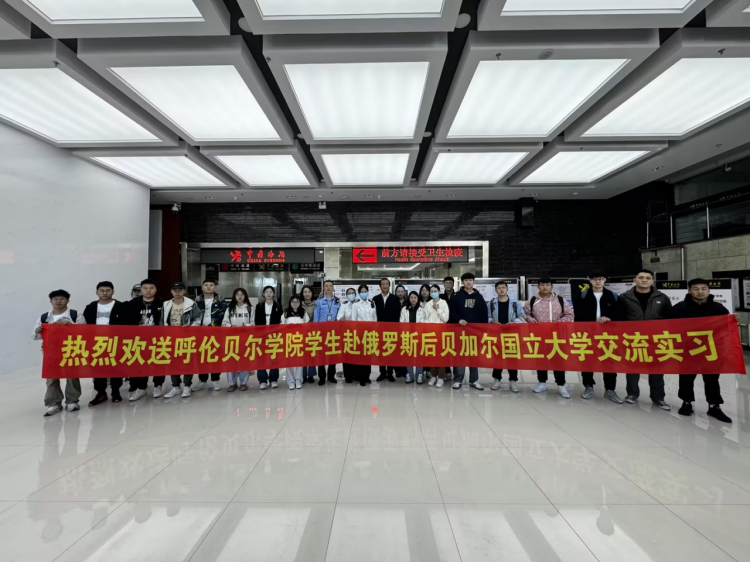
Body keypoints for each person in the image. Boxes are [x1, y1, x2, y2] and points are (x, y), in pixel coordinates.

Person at [671, 279, 734, 423]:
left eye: (703, 288)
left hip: (711, 350)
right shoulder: (679, 308)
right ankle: (686, 402)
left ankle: (714, 406)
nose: (700, 292)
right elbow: (669, 327)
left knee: (712, 379)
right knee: (686, 377)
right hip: (687, 350)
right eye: (696, 289)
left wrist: (733, 320)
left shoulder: (718, 308)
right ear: (689, 290)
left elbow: (726, 328)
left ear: (708, 290)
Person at [617, 269, 672, 410]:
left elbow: (670, 319)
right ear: (634, 280)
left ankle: (658, 397)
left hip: (656, 339)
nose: (644, 280)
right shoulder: (624, 297)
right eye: (641, 277)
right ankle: (632, 394)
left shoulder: (662, 298)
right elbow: (619, 318)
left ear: (652, 281)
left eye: (648, 278)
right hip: (633, 339)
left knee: (656, 369)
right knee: (632, 368)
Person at [33, 290, 86, 416]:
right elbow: (35, 336)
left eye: (62, 299)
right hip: (51, 352)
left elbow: (84, 332)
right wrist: (38, 331)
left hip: (70, 350)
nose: (58, 301)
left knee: (72, 376)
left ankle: (72, 401)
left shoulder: (75, 315)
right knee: (51, 378)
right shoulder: (44, 317)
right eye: (55, 299)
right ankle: (53, 403)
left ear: (67, 301)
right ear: (50, 301)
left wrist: (71, 325)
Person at [575, 272, 623, 404]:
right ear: (590, 280)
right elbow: (577, 315)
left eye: (600, 279)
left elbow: (620, 314)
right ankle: (588, 386)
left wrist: (610, 318)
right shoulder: (583, 295)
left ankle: (610, 389)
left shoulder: (613, 296)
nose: (598, 281)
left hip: (608, 335)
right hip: (588, 334)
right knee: (587, 361)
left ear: (605, 280)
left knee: (609, 360)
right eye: (595, 279)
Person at [524, 276, 574, 398]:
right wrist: (531, 320)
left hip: (557, 336)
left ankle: (561, 385)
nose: (544, 287)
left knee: (558, 360)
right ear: (538, 286)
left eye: (547, 285)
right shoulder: (531, 301)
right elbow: (525, 314)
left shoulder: (560, 300)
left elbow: (569, 315)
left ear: (552, 286)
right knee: (540, 360)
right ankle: (542, 383)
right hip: (539, 336)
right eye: (542, 285)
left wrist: (559, 322)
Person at [83, 281, 129, 406]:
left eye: (108, 290)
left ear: (113, 292)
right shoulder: (90, 307)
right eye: (102, 290)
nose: (105, 293)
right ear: (96, 292)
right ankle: (101, 393)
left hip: (115, 342)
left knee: (116, 368)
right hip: (96, 343)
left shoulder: (120, 306)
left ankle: (116, 392)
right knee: (98, 369)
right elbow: (84, 325)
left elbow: (127, 325)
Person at [125, 278, 165, 401]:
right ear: (141, 290)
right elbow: (126, 322)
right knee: (139, 362)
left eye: (151, 288)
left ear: (156, 290)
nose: (148, 291)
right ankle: (141, 388)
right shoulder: (132, 304)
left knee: (158, 362)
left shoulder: (162, 303)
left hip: (157, 339)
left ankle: (158, 386)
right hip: (138, 339)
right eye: (145, 288)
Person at [449, 272, 489, 390]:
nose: (468, 282)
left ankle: (474, 380)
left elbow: (484, 314)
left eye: (470, 280)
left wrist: (483, 330)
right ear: (462, 282)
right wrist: (458, 320)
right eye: (466, 280)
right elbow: (452, 312)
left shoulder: (479, 297)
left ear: (473, 282)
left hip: (475, 332)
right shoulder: (456, 296)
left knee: (474, 356)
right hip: (460, 331)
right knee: (460, 355)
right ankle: (458, 380)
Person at [163, 282, 202, 398]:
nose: (177, 292)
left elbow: (198, 319)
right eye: (175, 290)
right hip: (171, 338)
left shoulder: (191, 304)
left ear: (184, 291)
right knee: (173, 363)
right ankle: (175, 386)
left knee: (187, 362)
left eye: (180, 290)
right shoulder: (166, 304)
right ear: (171, 292)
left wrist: (190, 327)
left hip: (187, 338)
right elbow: (162, 321)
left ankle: (187, 386)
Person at [488, 281, 526, 393]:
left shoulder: (515, 302)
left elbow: (523, 317)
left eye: (503, 287)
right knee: (497, 357)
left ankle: (513, 381)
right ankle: (497, 380)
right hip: (497, 334)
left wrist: (514, 322)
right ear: (495, 290)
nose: (501, 289)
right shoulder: (491, 303)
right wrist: (492, 321)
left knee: (512, 358)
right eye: (499, 288)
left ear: (507, 289)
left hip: (511, 334)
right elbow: (487, 317)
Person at [195, 280, 225, 391]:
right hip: (200, 332)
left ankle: (215, 380)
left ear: (215, 287)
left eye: (211, 285)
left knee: (215, 356)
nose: (208, 287)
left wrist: (211, 325)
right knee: (201, 356)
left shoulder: (220, 299)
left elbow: (223, 313)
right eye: (206, 285)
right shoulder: (197, 299)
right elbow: (193, 314)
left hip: (215, 332)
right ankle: (202, 380)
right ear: (202, 287)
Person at [222, 288, 253, 392]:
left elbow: (253, 323)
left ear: (245, 296)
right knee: (231, 360)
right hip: (232, 339)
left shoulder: (250, 308)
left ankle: (243, 382)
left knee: (244, 360)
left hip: (245, 339)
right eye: (237, 294)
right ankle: (232, 383)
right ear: (234, 296)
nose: (240, 296)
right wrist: (231, 327)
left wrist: (246, 327)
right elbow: (224, 323)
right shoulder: (229, 308)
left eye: (242, 294)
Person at [373, 277, 402, 382]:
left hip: (392, 330)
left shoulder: (395, 299)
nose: (385, 286)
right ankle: (382, 372)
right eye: (383, 284)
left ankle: (390, 373)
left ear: (389, 286)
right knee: (381, 352)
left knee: (390, 351)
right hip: (379, 330)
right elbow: (373, 315)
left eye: (386, 284)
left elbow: (398, 315)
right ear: (380, 286)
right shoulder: (375, 299)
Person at [255, 285, 284, 389]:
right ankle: (262, 380)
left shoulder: (278, 306)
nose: (268, 294)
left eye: (270, 292)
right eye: (266, 292)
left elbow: (281, 321)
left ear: (273, 294)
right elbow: (256, 321)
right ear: (263, 294)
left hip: (274, 336)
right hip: (262, 335)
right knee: (261, 357)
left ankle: (273, 379)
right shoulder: (259, 306)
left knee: (274, 357)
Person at [313, 280, 341, 386]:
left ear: (333, 288)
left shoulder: (337, 301)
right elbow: (316, 317)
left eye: (330, 286)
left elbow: (340, 315)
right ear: (323, 288)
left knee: (332, 355)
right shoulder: (319, 302)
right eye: (326, 286)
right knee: (321, 356)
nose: (328, 288)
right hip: (322, 332)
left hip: (334, 332)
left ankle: (331, 376)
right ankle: (321, 377)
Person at [351, 284, 378, 386]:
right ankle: (361, 377)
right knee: (361, 356)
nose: (364, 293)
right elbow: (353, 320)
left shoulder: (372, 304)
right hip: (360, 334)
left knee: (368, 356)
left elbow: (375, 318)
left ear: (368, 292)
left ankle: (367, 376)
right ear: (359, 293)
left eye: (365, 291)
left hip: (370, 334)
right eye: (362, 292)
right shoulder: (356, 305)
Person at [423, 284, 450, 387]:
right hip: (430, 333)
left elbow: (446, 318)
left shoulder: (443, 303)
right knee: (432, 355)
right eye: (432, 291)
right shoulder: (428, 304)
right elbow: (424, 318)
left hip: (441, 333)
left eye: (435, 291)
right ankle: (433, 375)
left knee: (441, 355)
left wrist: (438, 309)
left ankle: (441, 377)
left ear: (439, 292)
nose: (433, 293)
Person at [283, 295, 308, 390]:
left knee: (299, 361)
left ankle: (298, 380)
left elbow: (307, 326)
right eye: (293, 301)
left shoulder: (304, 313)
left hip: (300, 340)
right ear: (290, 303)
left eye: (297, 301)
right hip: (288, 340)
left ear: (300, 303)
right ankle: (290, 381)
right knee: (289, 362)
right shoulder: (285, 313)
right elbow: (281, 326)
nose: (295, 303)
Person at [401, 291, 425, 384]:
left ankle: (419, 374)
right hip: (407, 336)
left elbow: (424, 322)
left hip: (419, 336)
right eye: (411, 298)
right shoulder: (404, 309)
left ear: (418, 299)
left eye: (415, 298)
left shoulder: (422, 309)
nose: (413, 299)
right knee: (408, 356)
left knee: (419, 356)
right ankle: (410, 374)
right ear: (409, 299)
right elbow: (401, 322)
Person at [337, 288, 357, 384]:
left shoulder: (359, 304)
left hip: (358, 333)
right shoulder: (344, 305)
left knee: (356, 354)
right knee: (347, 354)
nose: (351, 295)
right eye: (349, 293)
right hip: (347, 333)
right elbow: (339, 317)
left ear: (355, 294)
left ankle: (356, 374)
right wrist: (341, 319)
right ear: (346, 295)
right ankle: (348, 375)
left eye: (353, 293)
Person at [300, 285, 318, 383]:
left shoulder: (316, 304)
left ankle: (311, 375)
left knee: (311, 353)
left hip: (312, 332)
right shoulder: (298, 303)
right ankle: (303, 375)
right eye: (305, 292)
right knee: (302, 354)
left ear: (312, 293)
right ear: (302, 293)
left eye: (309, 292)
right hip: (301, 333)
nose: (307, 294)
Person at [440, 276, 457, 380]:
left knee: (455, 350)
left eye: (450, 283)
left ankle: (456, 372)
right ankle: (447, 371)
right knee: (445, 350)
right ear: (443, 284)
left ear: (453, 284)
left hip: (456, 327)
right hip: (444, 327)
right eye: (446, 283)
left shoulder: (458, 296)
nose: (448, 285)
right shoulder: (441, 297)